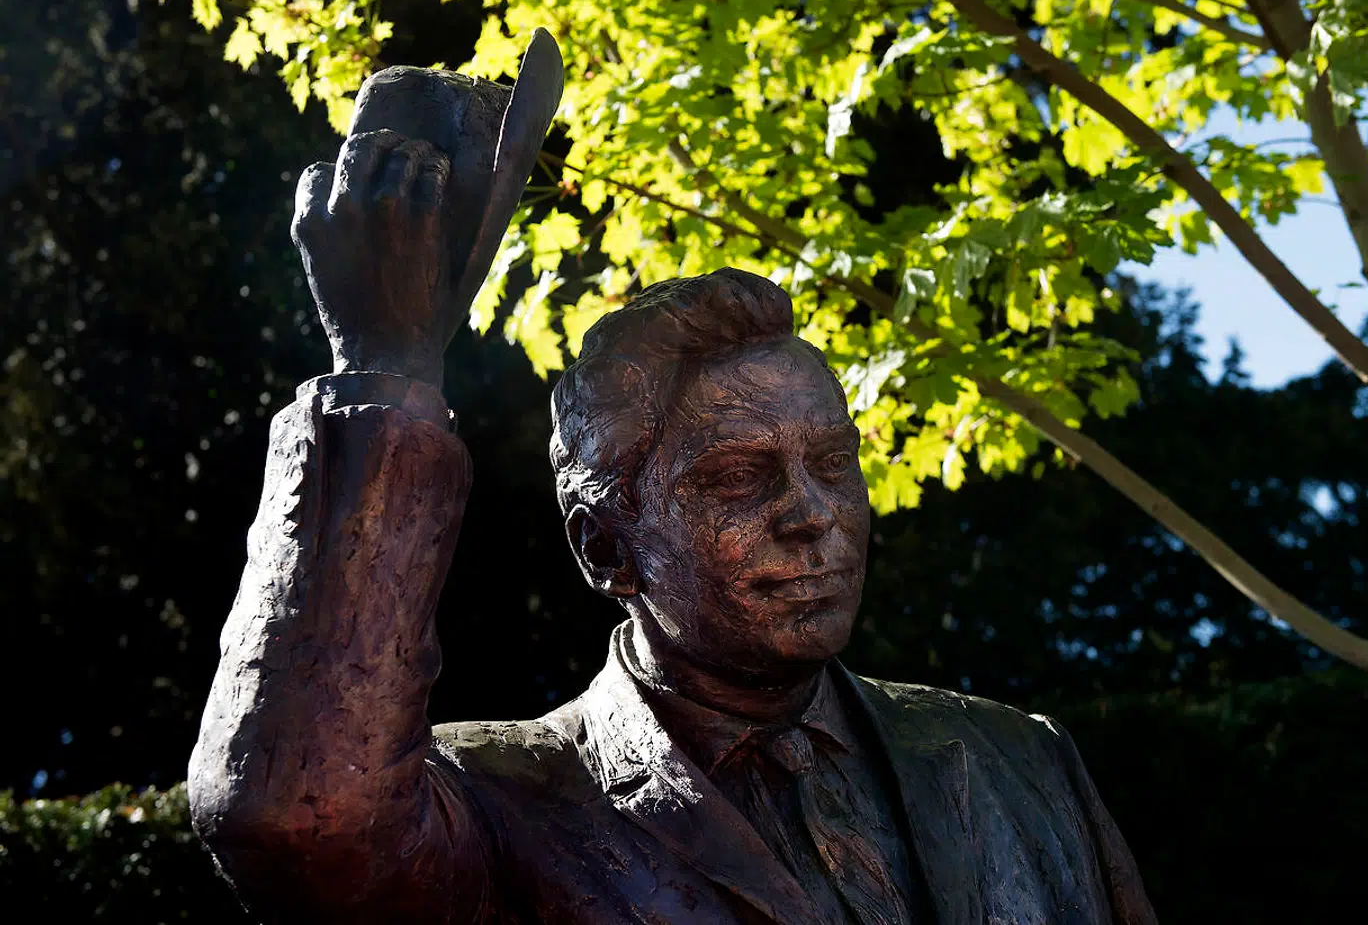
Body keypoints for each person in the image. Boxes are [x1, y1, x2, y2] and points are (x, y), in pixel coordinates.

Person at [188, 89, 1156, 925]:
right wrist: (383, 372)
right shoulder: (506, 806)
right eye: (741, 478)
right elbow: (295, 818)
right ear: (605, 545)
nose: (812, 513)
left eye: (832, 462)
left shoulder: (1028, 768)